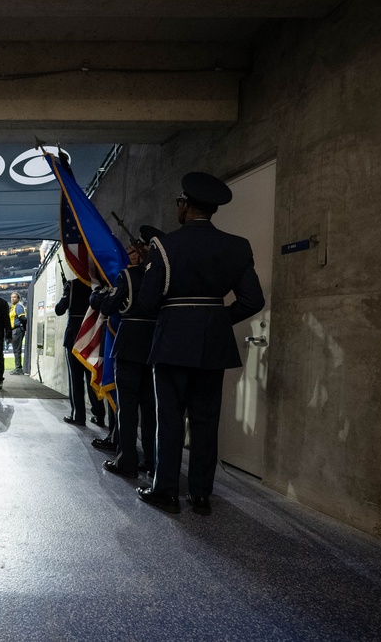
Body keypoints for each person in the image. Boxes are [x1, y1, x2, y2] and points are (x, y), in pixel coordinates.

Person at [136, 172, 265, 515]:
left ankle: (165, 490)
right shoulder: (237, 246)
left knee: (170, 419)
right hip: (212, 344)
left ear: (186, 205)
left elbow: (148, 302)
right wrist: (217, 320)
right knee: (206, 421)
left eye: (179, 203)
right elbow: (253, 300)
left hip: (173, 341)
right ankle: (201, 494)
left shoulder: (165, 246)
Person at [92, 227, 162, 480]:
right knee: (151, 410)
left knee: (128, 408)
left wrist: (105, 295)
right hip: (154, 346)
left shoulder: (128, 276)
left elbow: (110, 306)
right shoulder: (162, 277)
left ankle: (127, 460)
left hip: (130, 344)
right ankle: (154, 463)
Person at [55, 276, 106, 426]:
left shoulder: (73, 285)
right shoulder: (97, 284)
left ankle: (78, 415)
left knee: (76, 379)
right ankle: (99, 415)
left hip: (75, 337)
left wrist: (66, 291)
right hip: (93, 337)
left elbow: (59, 309)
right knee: (92, 377)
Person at [8, 292, 27, 375]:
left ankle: (18, 368)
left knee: (16, 349)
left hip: (17, 329)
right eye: (12, 297)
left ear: (18, 299)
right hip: (15, 330)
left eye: (15, 297)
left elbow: (22, 317)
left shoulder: (18, 306)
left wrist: (23, 327)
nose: (13, 299)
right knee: (16, 349)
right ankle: (18, 367)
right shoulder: (14, 307)